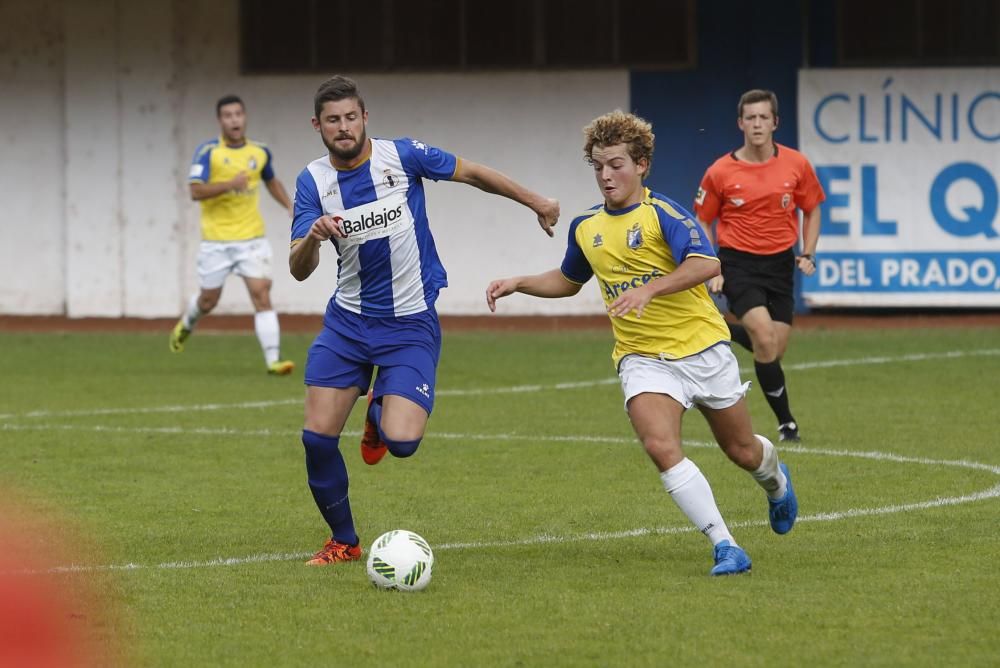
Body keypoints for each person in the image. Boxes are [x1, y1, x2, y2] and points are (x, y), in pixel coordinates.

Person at [486, 110, 797, 576]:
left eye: (616, 165)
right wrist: (519, 282)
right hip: (642, 357)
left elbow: (707, 265)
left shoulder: (663, 214)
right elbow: (569, 280)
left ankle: (775, 483)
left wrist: (650, 288)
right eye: (597, 166)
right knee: (659, 445)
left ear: (642, 165)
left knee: (742, 451)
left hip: (702, 348)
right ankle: (725, 545)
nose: (606, 176)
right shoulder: (586, 227)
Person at [288, 75, 560, 565]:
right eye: (333, 120)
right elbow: (298, 268)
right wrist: (313, 236)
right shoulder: (313, 182)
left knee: (403, 443)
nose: (344, 128)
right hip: (347, 324)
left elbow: (473, 173)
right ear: (317, 125)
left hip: (409, 325)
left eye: (352, 117)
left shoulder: (403, 156)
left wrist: (537, 202)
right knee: (316, 438)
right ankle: (344, 542)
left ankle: (377, 412)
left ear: (365, 117)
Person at [693, 89, 824, 442]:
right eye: (750, 118)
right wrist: (714, 267)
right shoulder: (720, 171)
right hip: (738, 264)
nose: (757, 124)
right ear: (740, 123)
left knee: (772, 350)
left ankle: (719, 329)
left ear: (775, 122)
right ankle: (787, 424)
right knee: (764, 338)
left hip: (781, 264)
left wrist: (808, 252)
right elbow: (703, 220)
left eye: (763, 117)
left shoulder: (796, 164)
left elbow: (812, 208)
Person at [169, 94, 297, 376]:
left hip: (252, 239)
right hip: (216, 242)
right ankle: (187, 324)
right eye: (228, 115)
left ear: (245, 117)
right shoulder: (208, 152)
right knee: (208, 301)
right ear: (220, 121)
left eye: (238, 114)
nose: (234, 119)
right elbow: (195, 191)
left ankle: (273, 361)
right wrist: (230, 184)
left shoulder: (260, 152)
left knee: (261, 294)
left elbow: (270, 180)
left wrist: (290, 205)